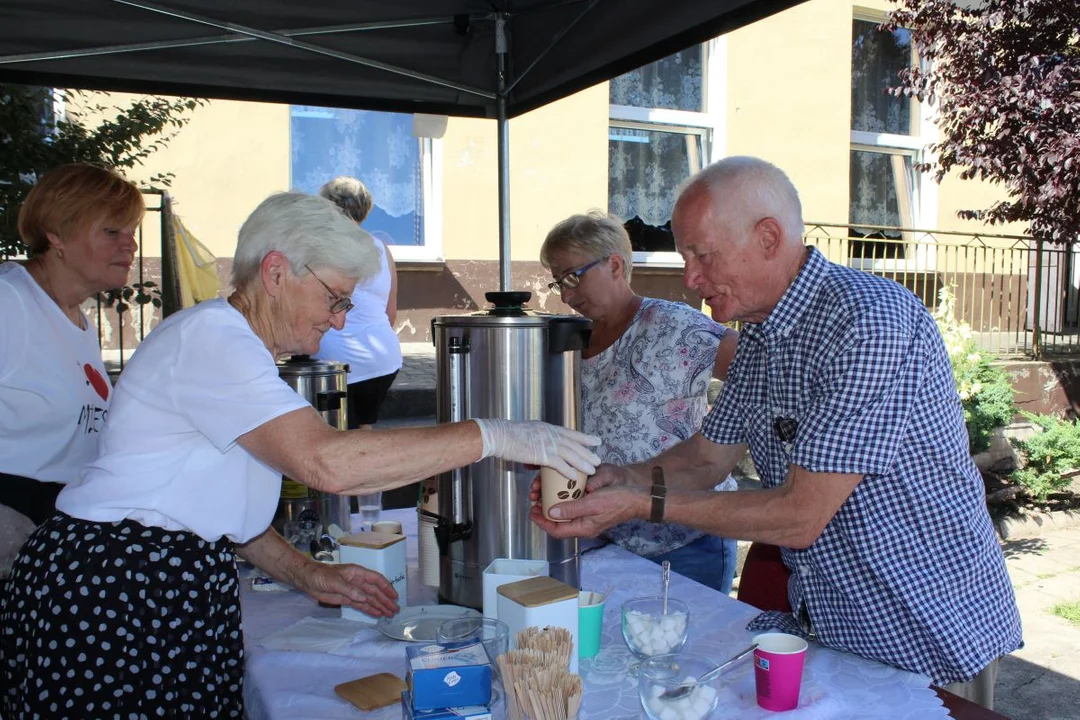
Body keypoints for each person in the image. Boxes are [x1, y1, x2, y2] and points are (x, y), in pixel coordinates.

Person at [0, 191, 600, 718]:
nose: (338, 322)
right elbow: (327, 462)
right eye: (335, 299)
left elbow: (216, 508)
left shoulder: (237, 347)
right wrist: (494, 434)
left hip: (156, 577)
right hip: (116, 588)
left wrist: (308, 573)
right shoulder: (212, 338)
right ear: (277, 271)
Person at [531, 156, 1022, 709]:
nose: (691, 279)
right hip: (833, 624)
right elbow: (706, 458)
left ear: (768, 237)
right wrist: (614, 477)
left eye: (702, 255)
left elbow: (800, 515)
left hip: (925, 627)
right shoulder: (763, 337)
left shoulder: (868, 320)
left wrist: (641, 501)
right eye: (685, 257)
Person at [540, 211, 741, 594]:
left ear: (615, 264)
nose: (566, 295)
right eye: (558, 282)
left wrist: (725, 434)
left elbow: (761, 373)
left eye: (572, 277)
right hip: (608, 539)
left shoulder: (674, 325)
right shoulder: (576, 340)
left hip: (685, 542)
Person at [0, 164, 143, 529]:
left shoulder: (76, 318)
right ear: (57, 235)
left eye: (132, 231)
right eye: (112, 231)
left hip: (56, 524)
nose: (130, 244)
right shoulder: (9, 300)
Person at [313, 176, 402, 428]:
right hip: (384, 358)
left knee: (336, 434)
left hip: (335, 360)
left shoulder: (321, 247)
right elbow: (390, 312)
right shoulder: (382, 250)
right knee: (363, 428)